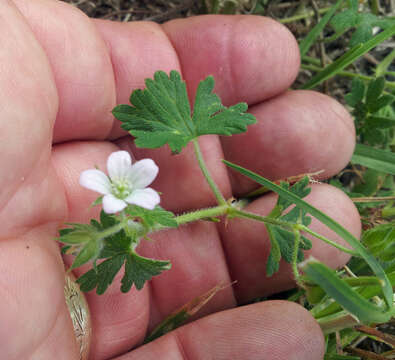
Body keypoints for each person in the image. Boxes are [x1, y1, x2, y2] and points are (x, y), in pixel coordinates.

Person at [1, 1, 361, 359]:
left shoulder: (128, 190)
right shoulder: (112, 193)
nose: (120, 188)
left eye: (123, 189)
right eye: (118, 189)